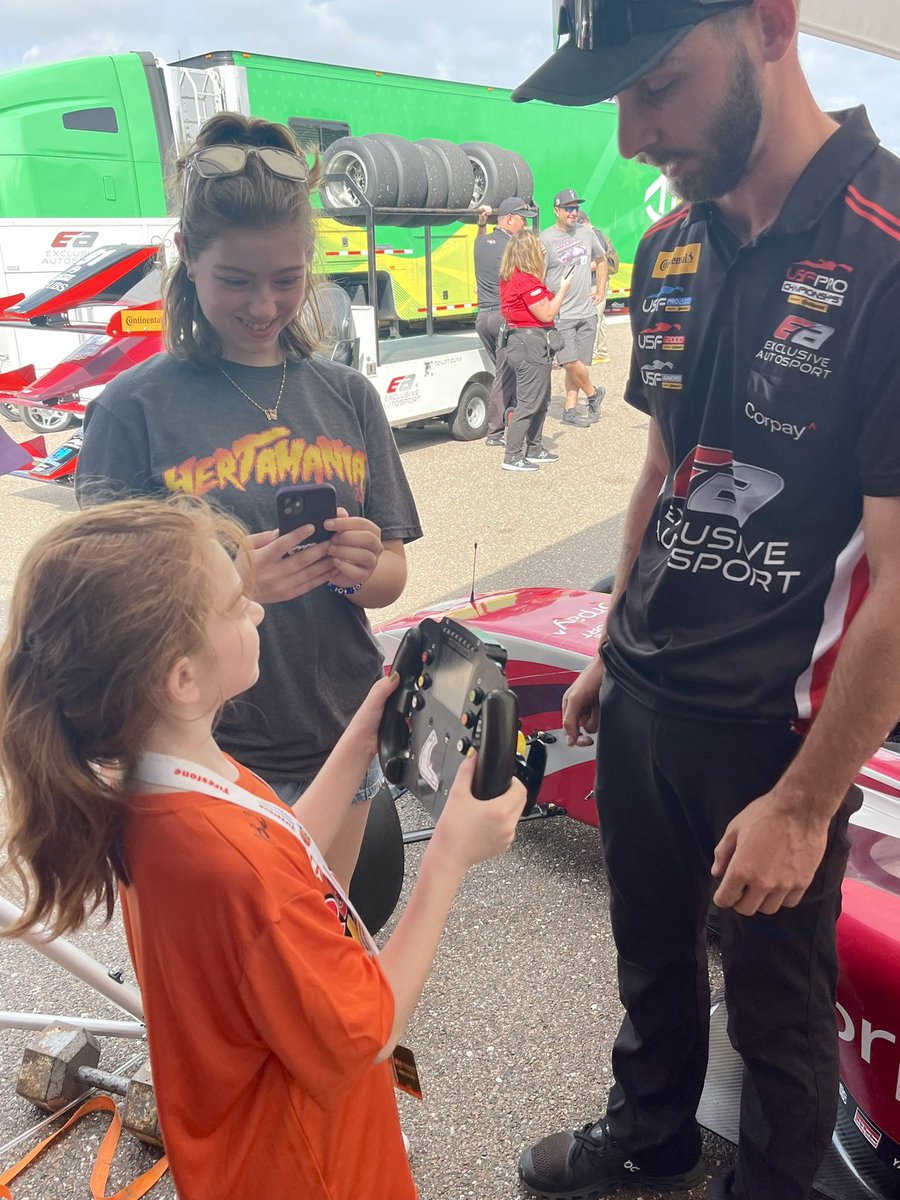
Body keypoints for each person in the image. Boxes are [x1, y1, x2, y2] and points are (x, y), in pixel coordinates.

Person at [513, 2, 900, 1199]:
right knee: (649, 956)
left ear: (771, 27)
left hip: (777, 732)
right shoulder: (668, 250)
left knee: (784, 1018)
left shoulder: (888, 246)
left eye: (659, 86)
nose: (631, 135)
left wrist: (804, 801)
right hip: (640, 688)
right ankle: (653, 1133)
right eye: (612, 99)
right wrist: (609, 644)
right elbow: (661, 473)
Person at [0, 496, 527, 1200]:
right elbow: (367, 1036)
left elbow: (282, 842)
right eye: (234, 606)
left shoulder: (157, 777)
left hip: (244, 1144)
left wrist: (361, 734)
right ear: (182, 679)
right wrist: (449, 858)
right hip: (309, 1167)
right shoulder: (227, 865)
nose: (257, 612)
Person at [75, 112, 422, 933]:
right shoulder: (133, 410)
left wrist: (363, 562)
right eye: (234, 279)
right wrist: (233, 587)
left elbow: (392, 580)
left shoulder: (348, 397)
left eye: (286, 279)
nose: (263, 305)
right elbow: (102, 621)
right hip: (204, 760)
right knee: (231, 986)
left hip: (341, 735)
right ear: (187, 260)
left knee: (321, 956)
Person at [498, 229, 571, 472]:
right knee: (530, 402)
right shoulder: (525, 282)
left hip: (523, 342)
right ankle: (513, 454)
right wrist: (564, 289)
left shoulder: (513, 276)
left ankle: (534, 447)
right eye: (537, 249)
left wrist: (541, 260)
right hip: (529, 343)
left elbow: (537, 283)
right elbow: (547, 312)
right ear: (529, 252)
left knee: (542, 398)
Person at [540, 188, 606, 427]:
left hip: (586, 312)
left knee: (576, 364)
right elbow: (539, 274)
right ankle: (593, 394)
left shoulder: (586, 234)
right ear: (556, 211)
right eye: (568, 208)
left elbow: (601, 260)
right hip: (562, 314)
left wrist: (600, 290)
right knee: (568, 361)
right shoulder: (545, 239)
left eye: (576, 208)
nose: (573, 212)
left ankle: (569, 411)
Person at [474, 197, 533, 446]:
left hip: (482, 318)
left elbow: (485, 237)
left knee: (505, 370)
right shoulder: (511, 248)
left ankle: (510, 416)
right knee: (504, 374)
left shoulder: (480, 242)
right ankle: (495, 432)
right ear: (509, 219)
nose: (525, 225)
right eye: (522, 220)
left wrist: (481, 223)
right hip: (502, 316)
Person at [576, 210, 613, 364]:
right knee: (600, 316)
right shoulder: (594, 234)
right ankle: (602, 351)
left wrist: (580, 267)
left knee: (594, 317)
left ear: (585, 221)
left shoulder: (594, 235)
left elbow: (600, 262)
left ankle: (593, 353)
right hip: (597, 282)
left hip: (596, 283)